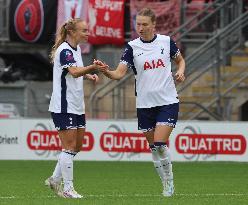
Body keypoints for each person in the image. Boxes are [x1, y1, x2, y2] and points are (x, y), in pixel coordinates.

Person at [96, 8, 185, 197]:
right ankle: (164, 183)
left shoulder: (166, 42)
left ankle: (169, 182)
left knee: (160, 143)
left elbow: (180, 60)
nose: (141, 28)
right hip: (145, 104)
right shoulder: (131, 47)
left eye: (145, 24)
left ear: (154, 25)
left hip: (167, 101)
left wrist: (181, 71)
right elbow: (119, 74)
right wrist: (106, 71)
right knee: (154, 149)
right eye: (138, 24)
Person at [45, 18, 107, 198]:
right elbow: (73, 72)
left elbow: (75, 70)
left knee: (76, 146)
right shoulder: (64, 50)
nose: (87, 33)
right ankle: (67, 188)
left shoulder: (76, 49)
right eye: (84, 30)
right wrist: (93, 68)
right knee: (69, 146)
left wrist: (89, 76)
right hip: (64, 106)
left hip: (77, 105)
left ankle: (55, 179)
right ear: (72, 32)